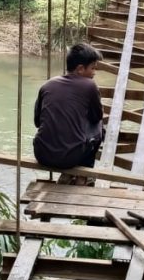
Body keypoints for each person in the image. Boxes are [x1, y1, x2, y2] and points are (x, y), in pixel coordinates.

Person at [33, 43, 105, 184]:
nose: (94, 73)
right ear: (80, 69)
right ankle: (84, 173)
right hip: (70, 159)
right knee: (98, 124)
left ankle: (68, 175)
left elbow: (37, 122)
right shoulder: (89, 85)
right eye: (93, 68)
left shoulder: (47, 85)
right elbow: (97, 117)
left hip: (41, 154)